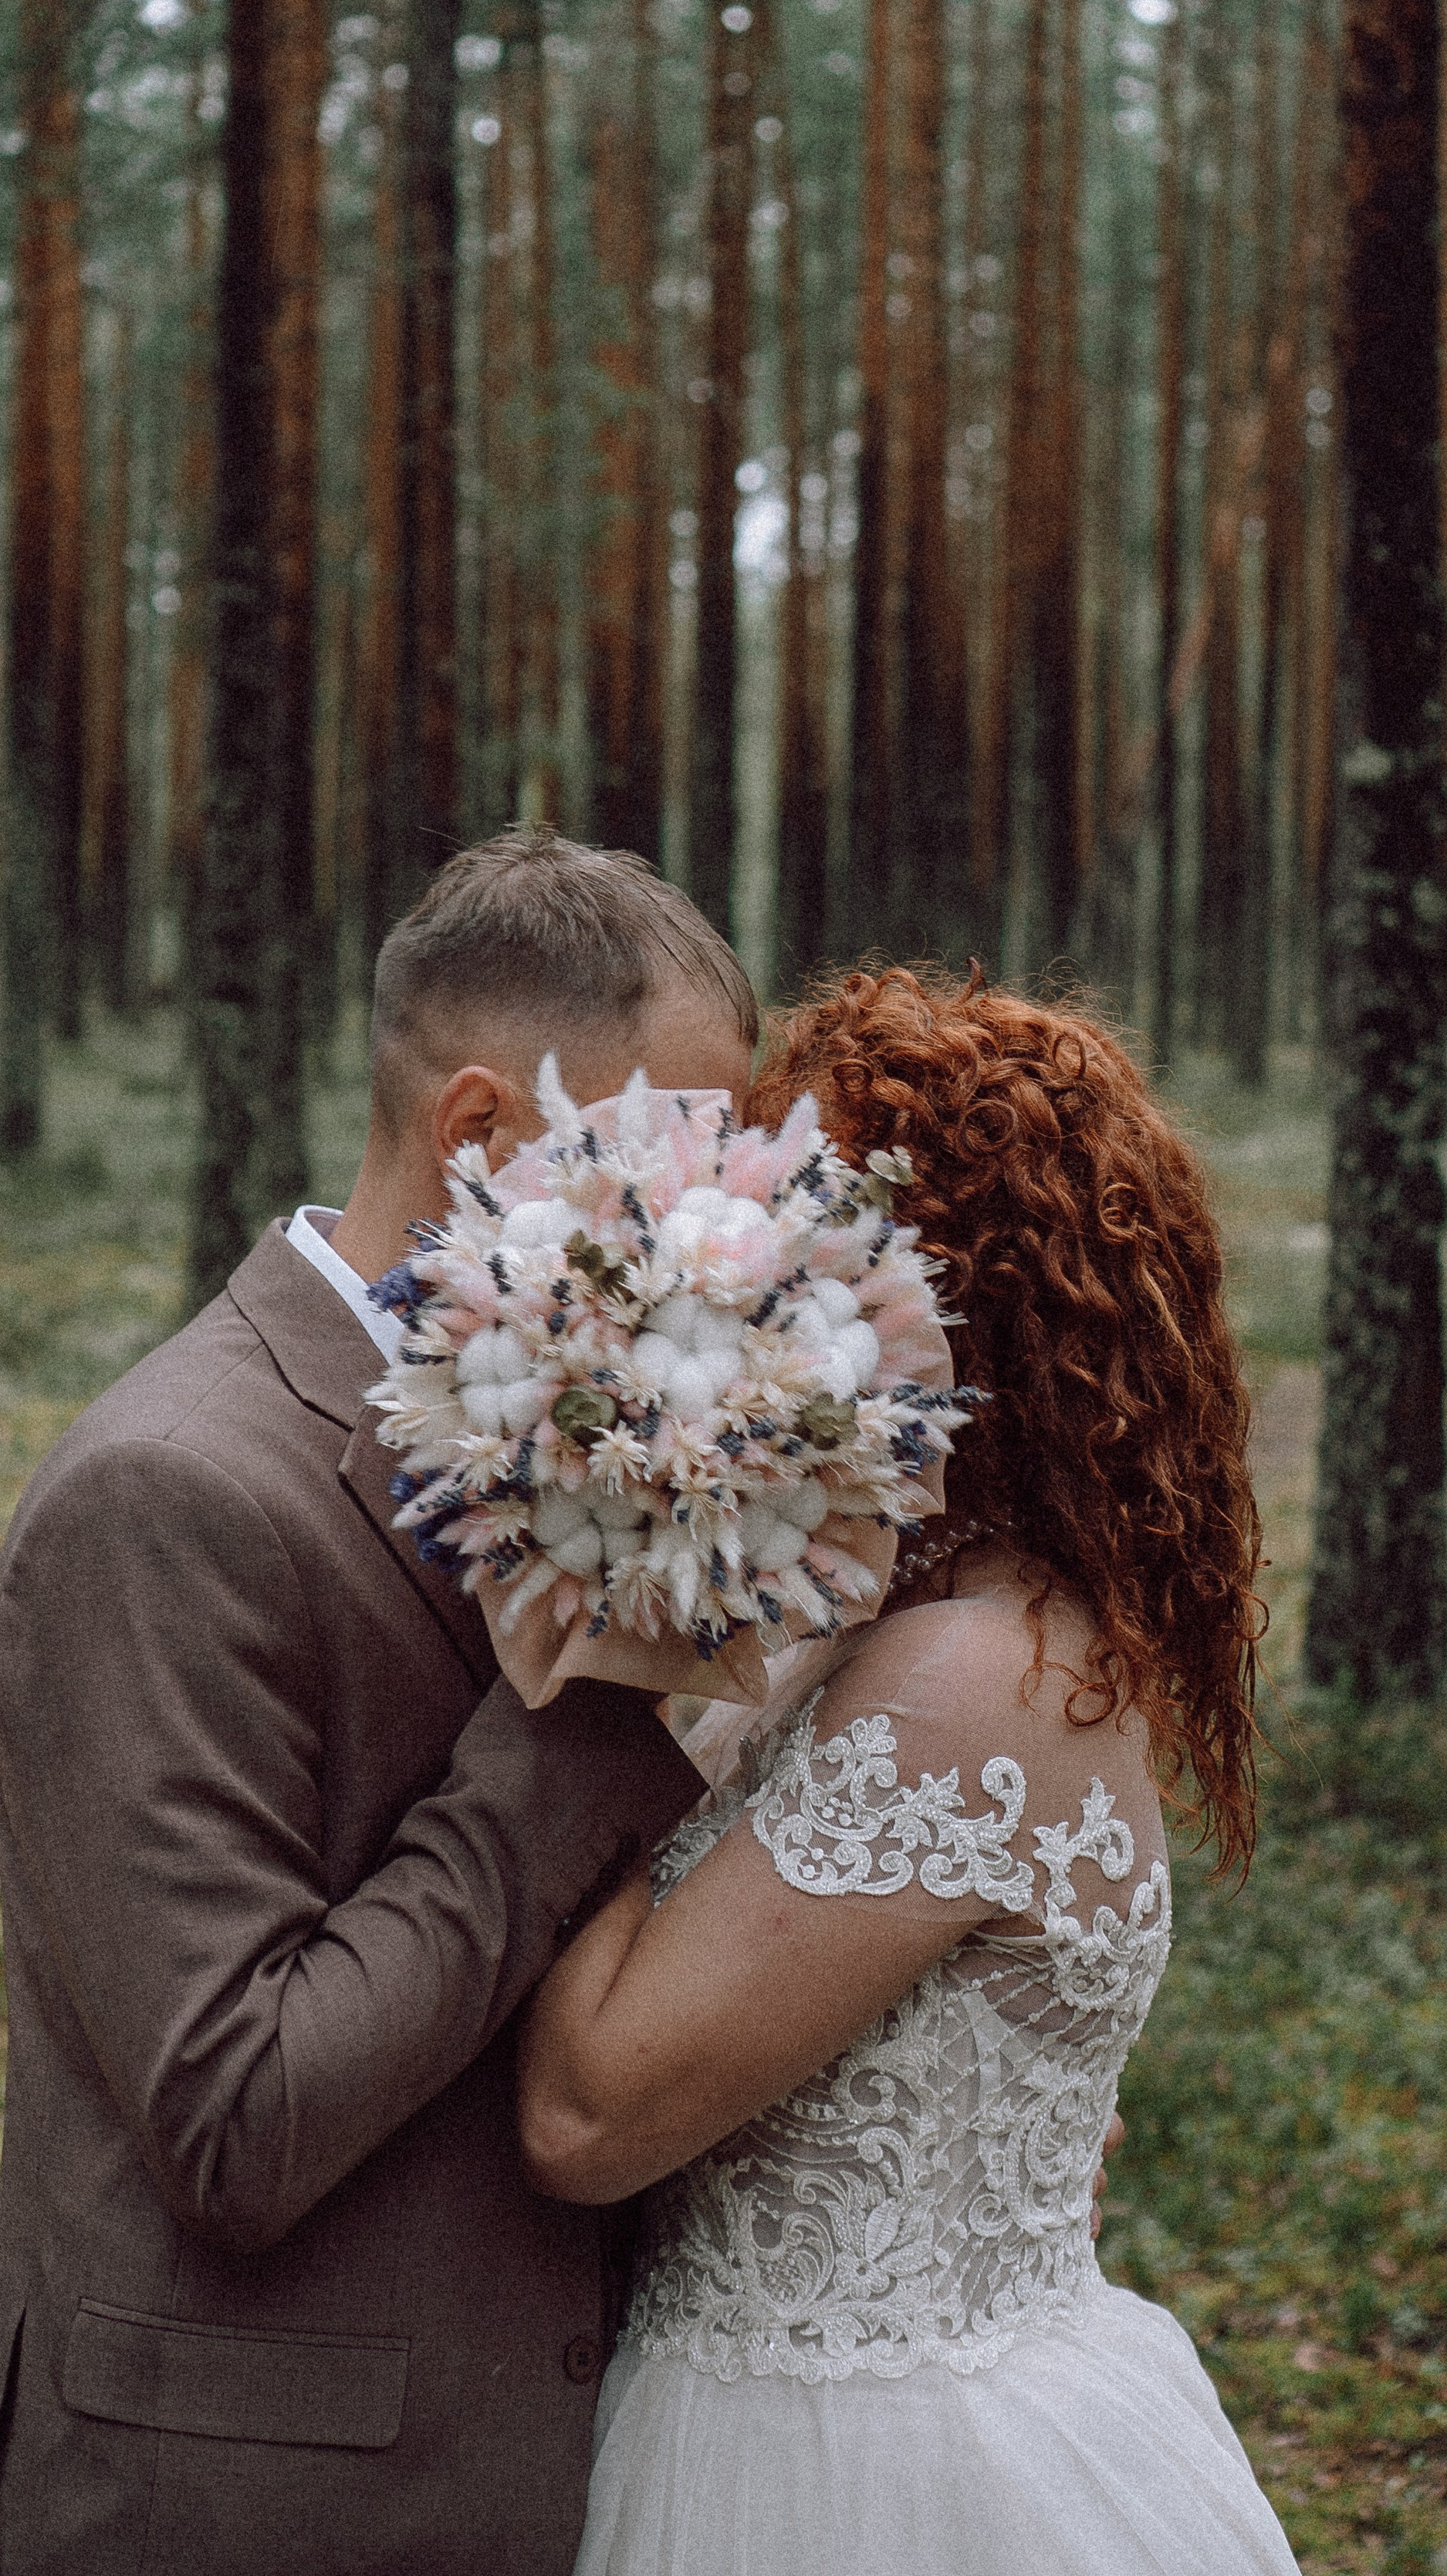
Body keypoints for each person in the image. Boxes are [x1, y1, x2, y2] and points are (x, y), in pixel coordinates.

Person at [0, 830, 756, 2576]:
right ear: (478, 1134)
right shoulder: (167, 1494)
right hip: (255, 2509)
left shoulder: (588, 1425)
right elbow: (236, 2115)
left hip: (563, 2464)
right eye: (665, 1171)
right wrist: (579, 1726)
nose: (706, 1240)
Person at [522, 965, 1301, 2576]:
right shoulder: (909, 1614)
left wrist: (603, 1673)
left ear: (952, 1302)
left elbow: (586, 2114)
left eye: (805, 1243)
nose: (746, 1284)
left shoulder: (968, 1678)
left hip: (856, 2476)